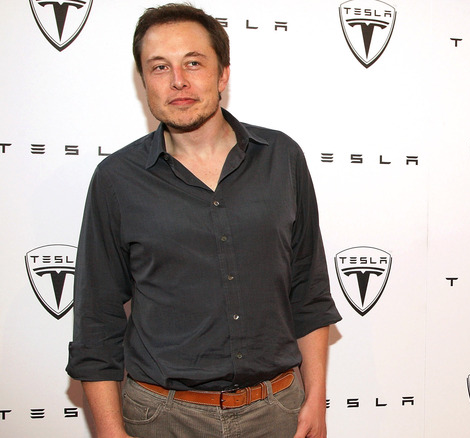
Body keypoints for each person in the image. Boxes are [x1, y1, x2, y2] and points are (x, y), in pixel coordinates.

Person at [66, 3, 341, 437]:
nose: (178, 80)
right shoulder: (116, 180)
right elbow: (96, 321)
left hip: (278, 413)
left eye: (193, 62)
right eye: (159, 67)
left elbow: (307, 290)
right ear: (143, 83)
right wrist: (108, 432)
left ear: (223, 74)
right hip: (162, 418)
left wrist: (316, 400)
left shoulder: (282, 158)